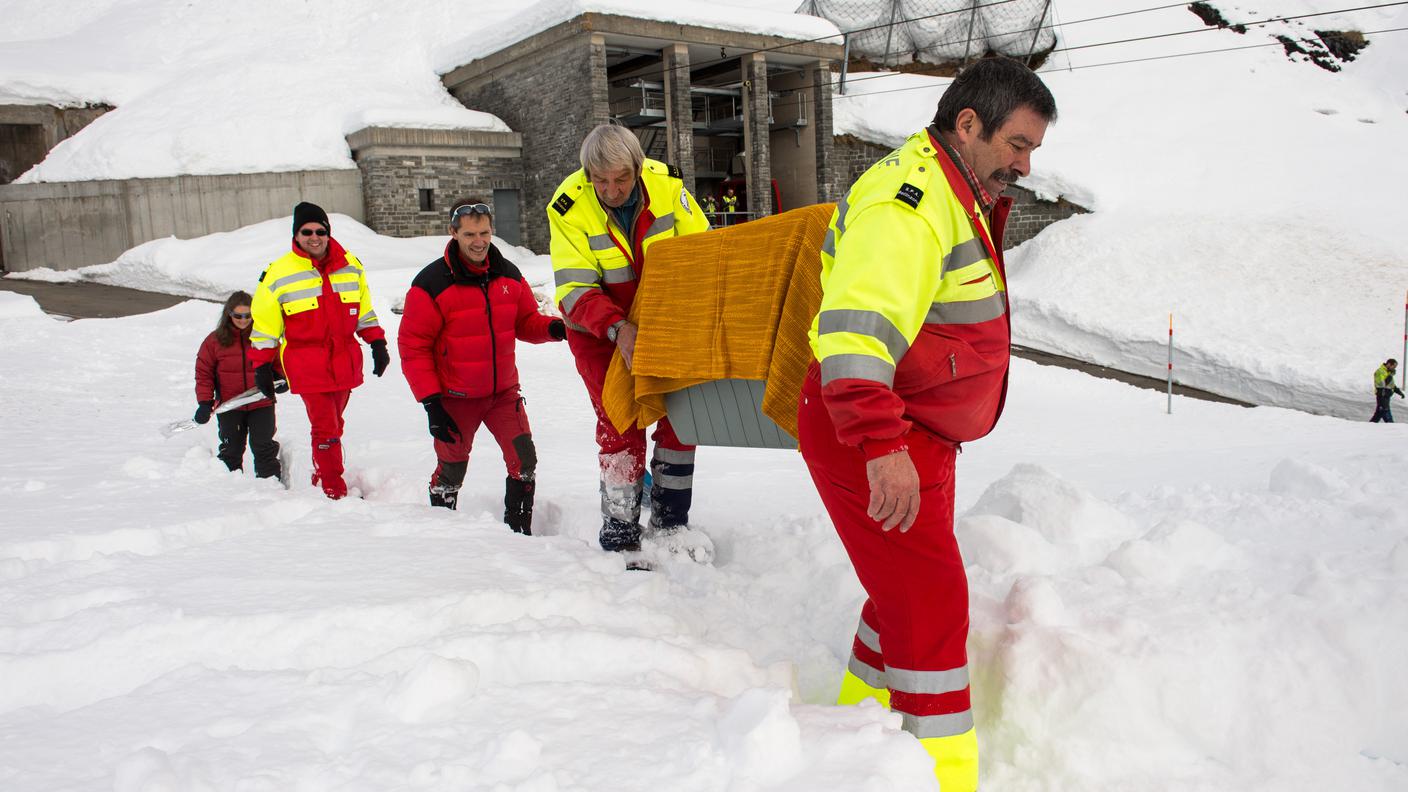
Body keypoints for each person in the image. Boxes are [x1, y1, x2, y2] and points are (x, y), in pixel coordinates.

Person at [797, 57, 1056, 792]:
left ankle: (858, 733)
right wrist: (881, 445)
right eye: (1017, 144)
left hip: (913, 432)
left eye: (1033, 149)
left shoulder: (956, 184)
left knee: (904, 594)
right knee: (932, 604)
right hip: (873, 430)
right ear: (968, 125)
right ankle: (942, 776)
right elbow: (853, 335)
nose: (1026, 165)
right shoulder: (907, 202)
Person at [547, 123, 711, 558]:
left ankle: (671, 520)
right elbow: (575, 288)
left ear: (637, 170)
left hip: (666, 321)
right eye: (600, 180)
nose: (611, 189)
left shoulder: (667, 186)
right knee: (620, 420)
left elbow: (702, 251)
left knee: (681, 416)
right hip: (597, 331)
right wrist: (618, 328)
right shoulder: (568, 206)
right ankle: (620, 528)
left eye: (621, 179)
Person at [398, 200, 566, 533]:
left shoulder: (508, 274)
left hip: (503, 394)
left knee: (524, 462)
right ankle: (444, 534)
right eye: (470, 234)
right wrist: (431, 404)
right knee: (451, 470)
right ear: (453, 233)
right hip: (454, 399)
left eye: (485, 232)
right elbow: (413, 347)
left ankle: (519, 535)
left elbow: (525, 321)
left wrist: (553, 329)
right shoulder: (431, 284)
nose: (479, 241)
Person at [249, 202, 389, 499]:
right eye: (307, 231)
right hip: (306, 364)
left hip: (345, 361)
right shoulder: (278, 273)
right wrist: (261, 365)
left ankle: (319, 470)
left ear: (328, 232)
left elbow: (363, 310)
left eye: (320, 230)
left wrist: (377, 342)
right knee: (325, 426)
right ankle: (332, 487)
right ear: (296, 235)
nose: (315, 237)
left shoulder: (351, 266)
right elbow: (265, 326)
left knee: (335, 423)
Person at [193, 291, 282, 479]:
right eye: (238, 316)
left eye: (248, 316)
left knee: (264, 447)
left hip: (261, 403)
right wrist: (204, 402)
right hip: (230, 406)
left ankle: (271, 489)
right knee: (230, 449)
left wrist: (281, 379)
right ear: (229, 315)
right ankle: (229, 491)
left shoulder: (264, 337)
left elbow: (281, 362)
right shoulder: (214, 341)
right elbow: (204, 373)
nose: (243, 320)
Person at [1371, 358, 1404, 422]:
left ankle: (1368, 426)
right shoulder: (1380, 371)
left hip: (1387, 396)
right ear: (1388, 364)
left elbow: (1391, 385)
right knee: (1386, 413)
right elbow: (1382, 384)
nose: (1394, 368)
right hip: (1382, 395)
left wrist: (1399, 392)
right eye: (1393, 366)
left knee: (1378, 414)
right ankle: (1392, 428)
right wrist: (1390, 375)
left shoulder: (1388, 372)